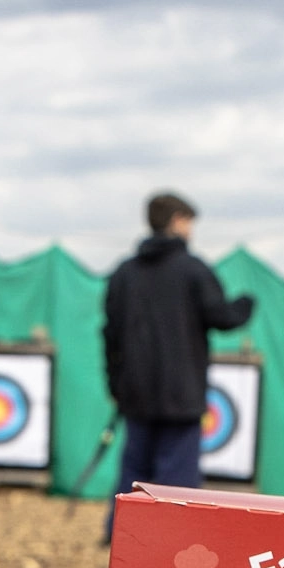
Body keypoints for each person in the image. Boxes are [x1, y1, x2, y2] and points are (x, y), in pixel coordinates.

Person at [101, 192, 255, 541]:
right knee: (177, 476)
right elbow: (223, 317)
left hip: (136, 393)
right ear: (176, 221)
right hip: (181, 394)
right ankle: (174, 539)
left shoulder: (125, 273)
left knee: (135, 470)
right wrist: (246, 304)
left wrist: (115, 385)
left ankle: (124, 535)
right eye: (188, 222)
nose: (191, 230)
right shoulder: (192, 269)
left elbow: (110, 334)